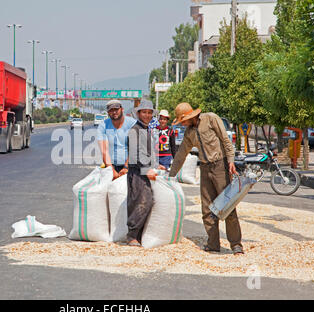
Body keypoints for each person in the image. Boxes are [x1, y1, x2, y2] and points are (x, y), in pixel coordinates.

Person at [169, 102, 244, 255]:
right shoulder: (189, 133)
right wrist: (171, 175)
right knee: (207, 208)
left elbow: (225, 140)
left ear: (190, 117)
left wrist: (231, 161)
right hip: (204, 168)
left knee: (227, 206)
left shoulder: (210, 119)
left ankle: (236, 244)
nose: (182, 124)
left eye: (183, 121)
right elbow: (181, 154)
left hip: (220, 166)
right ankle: (213, 244)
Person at [126, 100, 164, 247]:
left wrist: (155, 165)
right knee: (141, 201)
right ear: (139, 113)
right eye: (144, 112)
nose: (147, 115)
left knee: (146, 200)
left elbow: (147, 152)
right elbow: (135, 154)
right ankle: (132, 235)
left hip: (145, 171)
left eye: (149, 112)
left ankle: (139, 235)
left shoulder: (145, 129)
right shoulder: (135, 130)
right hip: (137, 173)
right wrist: (146, 169)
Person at [97, 99, 137, 180]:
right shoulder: (103, 125)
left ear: (122, 109)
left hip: (130, 165)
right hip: (111, 165)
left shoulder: (132, 123)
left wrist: (126, 167)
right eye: (111, 110)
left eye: (116, 109)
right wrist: (111, 170)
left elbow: (135, 148)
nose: (114, 112)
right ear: (108, 112)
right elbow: (104, 150)